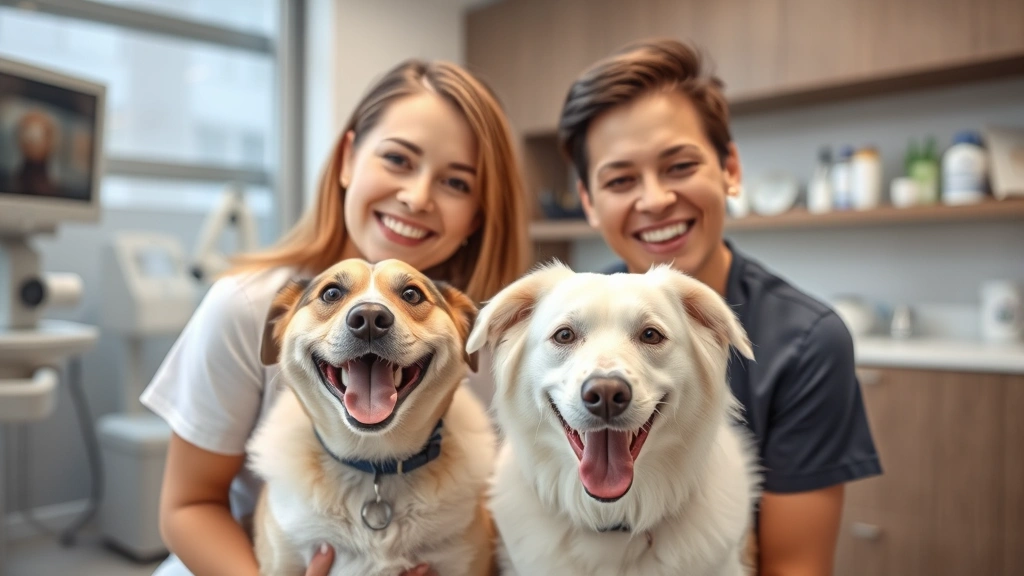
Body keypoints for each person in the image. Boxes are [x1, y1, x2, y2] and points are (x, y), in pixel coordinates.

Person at [140, 58, 530, 576]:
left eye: (456, 183)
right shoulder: (247, 305)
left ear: (478, 213)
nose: (416, 197)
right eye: (397, 159)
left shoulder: (482, 338)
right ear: (348, 158)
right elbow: (187, 508)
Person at [557, 38, 882, 575]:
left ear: (729, 167)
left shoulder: (806, 341)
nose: (656, 199)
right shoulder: (565, 325)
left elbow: (794, 566)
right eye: (620, 180)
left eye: (679, 165)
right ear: (590, 202)